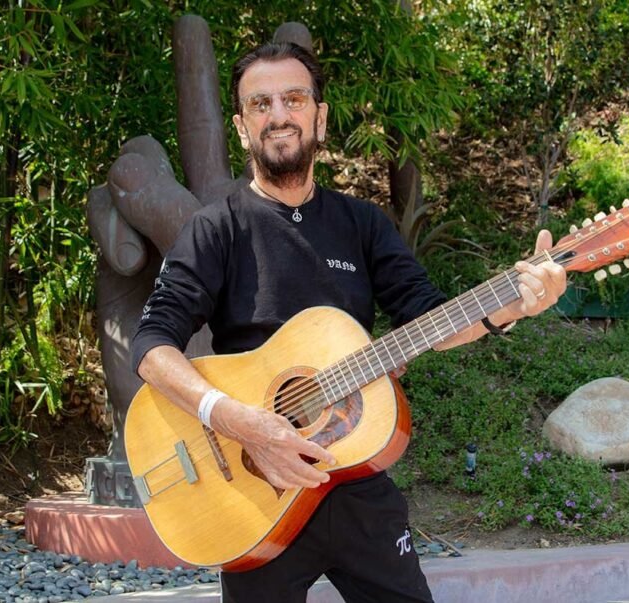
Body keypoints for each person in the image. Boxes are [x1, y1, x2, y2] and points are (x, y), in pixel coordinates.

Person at [131, 42, 566, 603]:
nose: (279, 115)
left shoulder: (361, 223)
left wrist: (513, 303)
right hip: (256, 490)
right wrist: (239, 421)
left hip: (355, 480)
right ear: (241, 128)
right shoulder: (217, 228)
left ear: (320, 117)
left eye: (293, 98)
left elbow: (430, 318)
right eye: (260, 104)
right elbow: (150, 345)